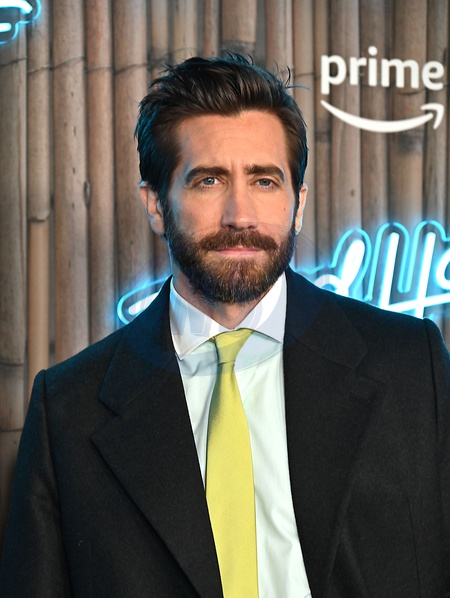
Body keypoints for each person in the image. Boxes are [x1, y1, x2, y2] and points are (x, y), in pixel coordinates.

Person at [0, 54, 449, 598]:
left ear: (298, 204)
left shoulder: (411, 365)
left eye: (264, 181)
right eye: (209, 180)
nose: (240, 214)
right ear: (156, 205)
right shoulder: (68, 410)